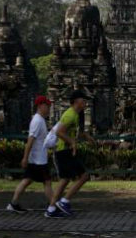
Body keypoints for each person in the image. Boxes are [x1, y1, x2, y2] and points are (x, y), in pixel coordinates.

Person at [45, 90, 96, 218]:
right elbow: (59, 132)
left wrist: (87, 137)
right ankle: (64, 202)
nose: (85, 103)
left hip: (64, 151)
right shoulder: (70, 115)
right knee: (84, 176)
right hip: (64, 150)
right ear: (76, 101)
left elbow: (77, 132)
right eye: (83, 100)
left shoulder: (76, 115)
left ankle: (51, 209)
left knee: (65, 179)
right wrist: (72, 143)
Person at [7, 95, 54, 213]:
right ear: (39, 106)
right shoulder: (37, 121)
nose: (48, 108)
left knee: (27, 180)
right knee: (47, 182)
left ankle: (13, 203)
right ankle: (52, 206)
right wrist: (25, 157)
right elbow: (30, 140)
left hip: (38, 158)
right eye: (46, 106)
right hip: (38, 160)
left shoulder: (40, 120)